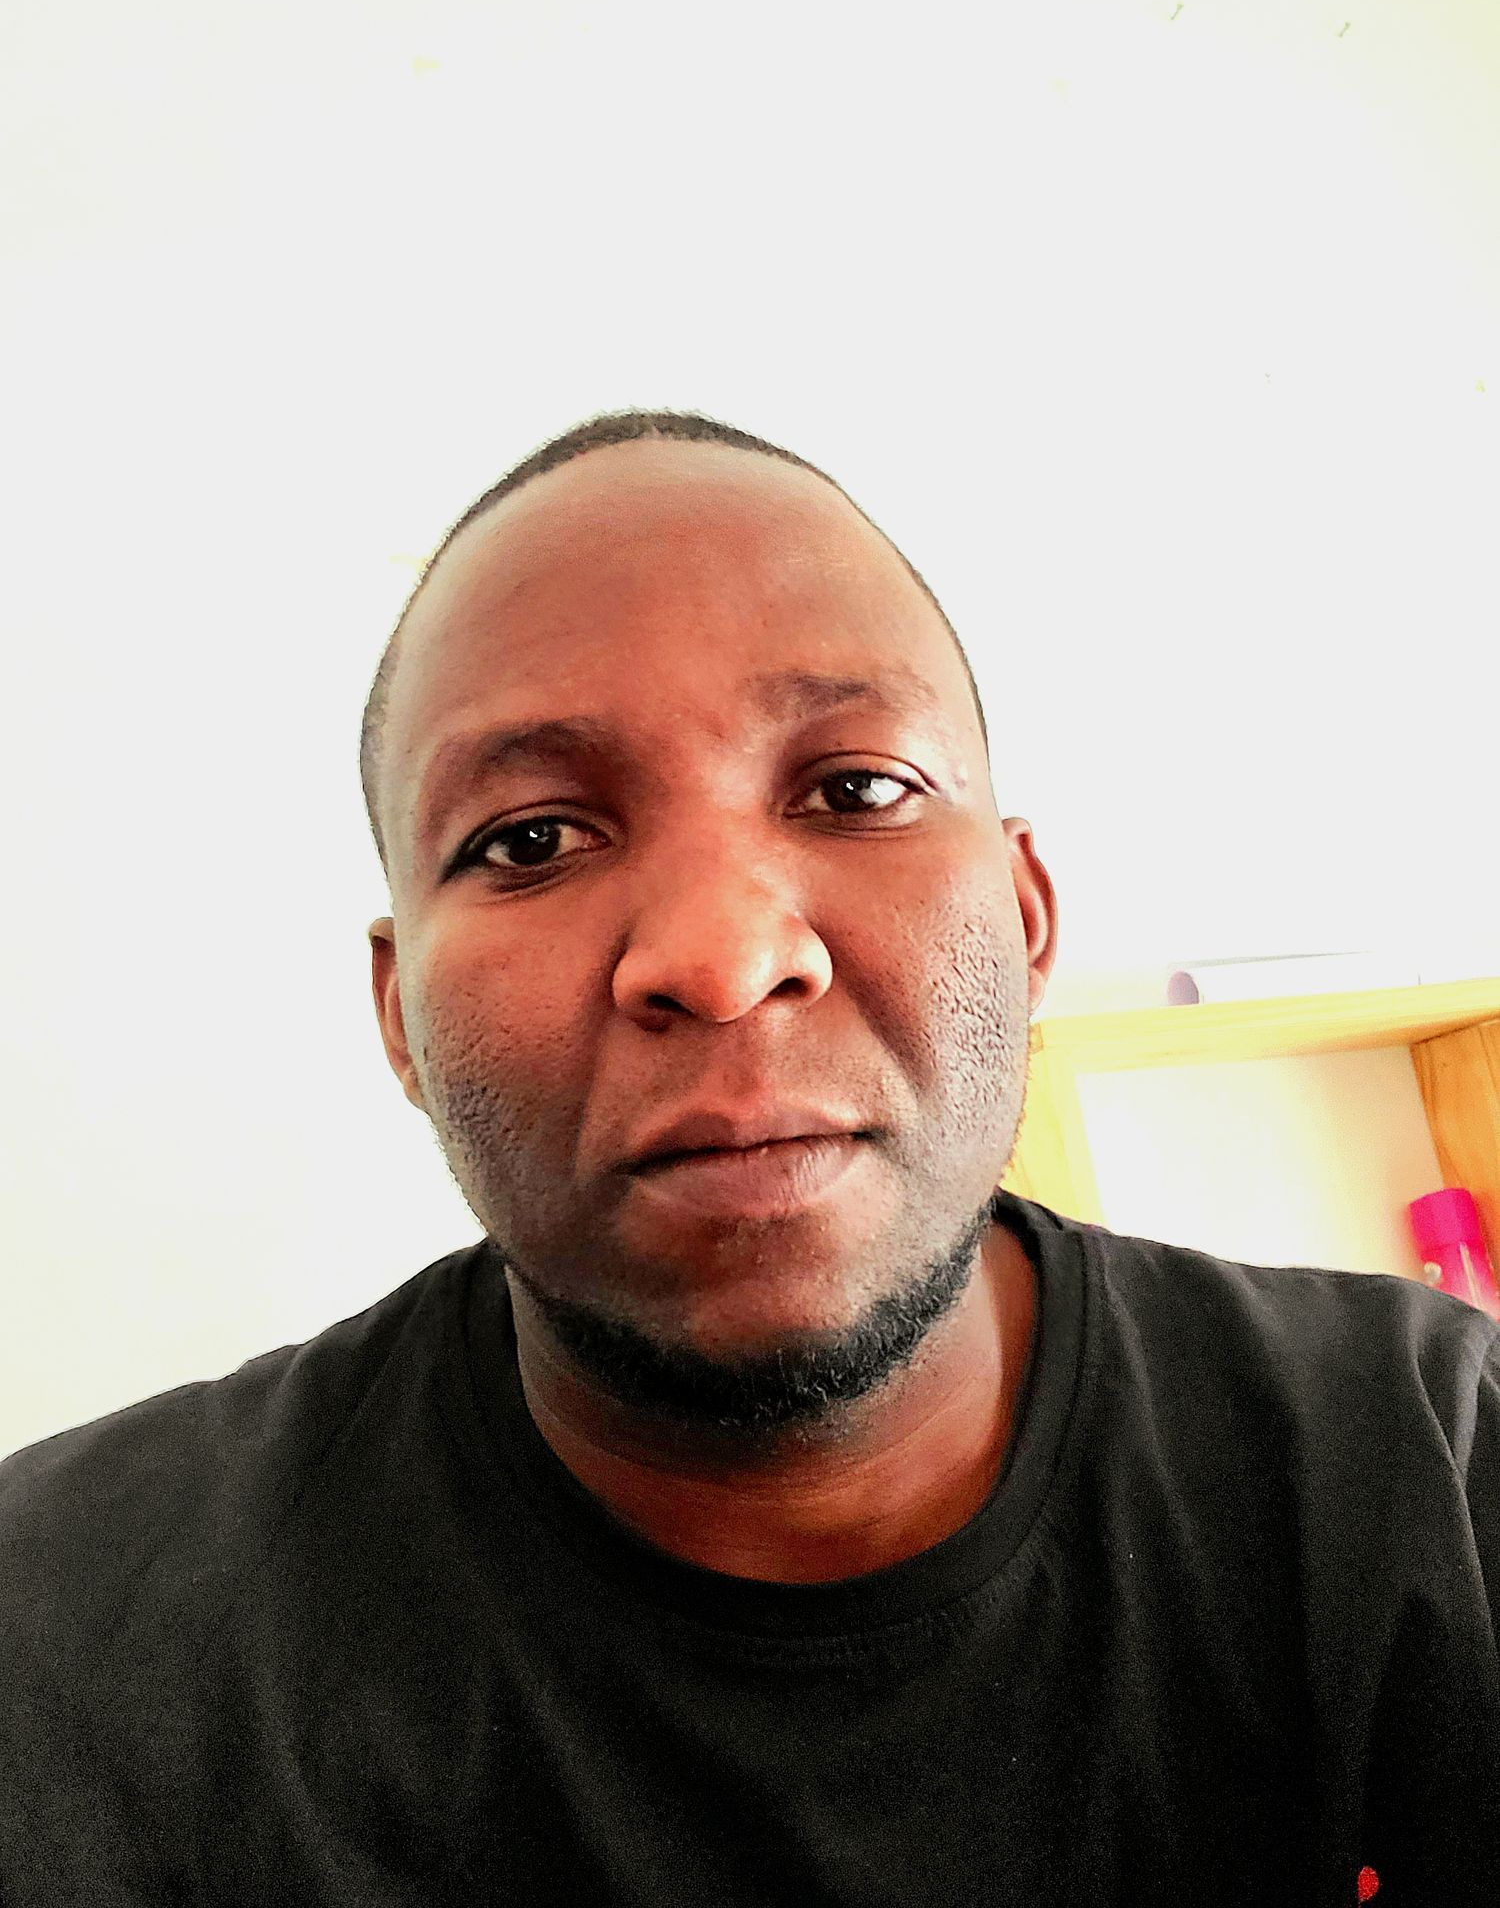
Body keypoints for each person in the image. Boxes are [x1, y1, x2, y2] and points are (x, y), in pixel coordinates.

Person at [2, 410, 1497, 1906]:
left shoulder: (1437, 1472)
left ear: (1027, 917)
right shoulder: (61, 1644)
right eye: (529, 841)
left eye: (857, 789)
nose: (723, 962)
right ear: (402, 1019)